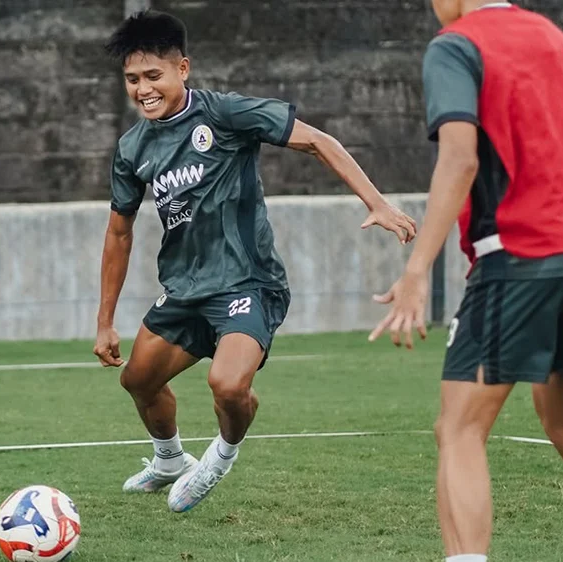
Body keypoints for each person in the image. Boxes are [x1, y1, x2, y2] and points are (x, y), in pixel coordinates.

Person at [94, 9, 417, 513]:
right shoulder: (133, 146)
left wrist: (375, 202)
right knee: (137, 380)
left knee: (227, 383)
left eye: (153, 76)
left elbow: (318, 141)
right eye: (132, 80)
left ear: (183, 68)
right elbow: (118, 232)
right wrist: (104, 321)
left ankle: (218, 459)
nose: (143, 89)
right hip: (184, 289)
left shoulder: (224, 114)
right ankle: (169, 460)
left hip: (248, 281)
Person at [369, 2, 563, 561]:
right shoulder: (552, 35)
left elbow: (460, 160)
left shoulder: (455, 44)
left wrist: (417, 269)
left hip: (521, 257)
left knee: (460, 429)